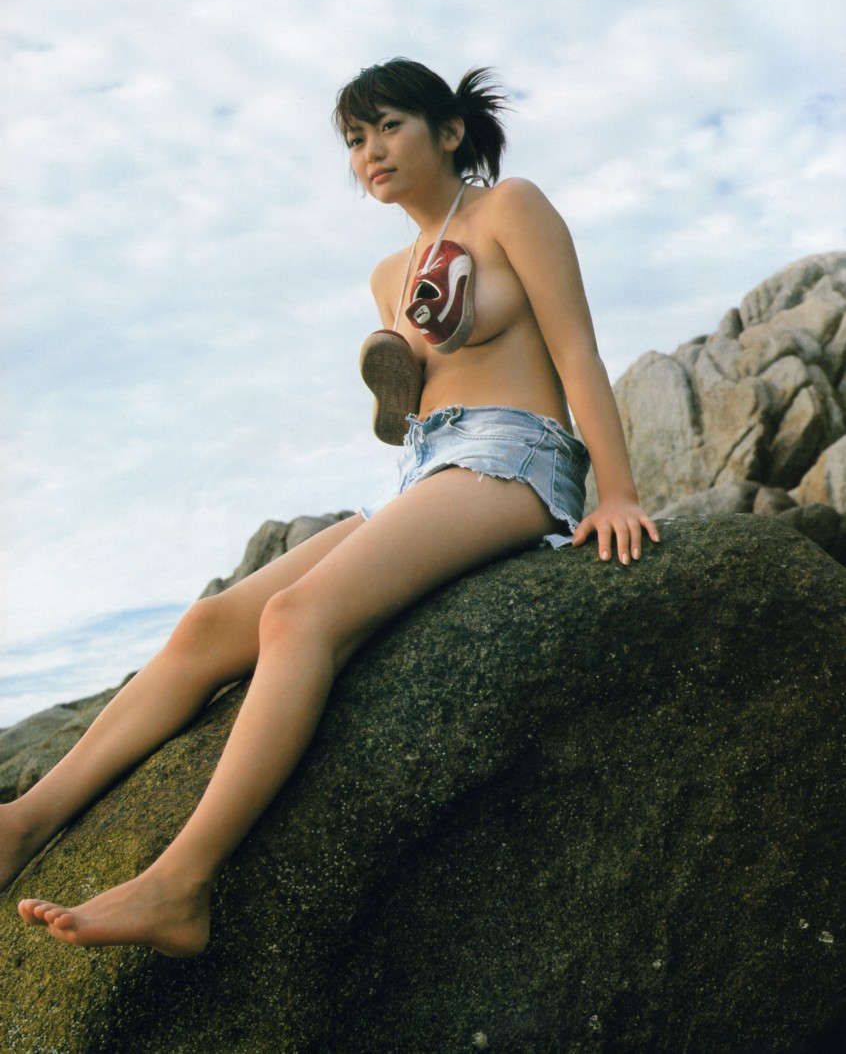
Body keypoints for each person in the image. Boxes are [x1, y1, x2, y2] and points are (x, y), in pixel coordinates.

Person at [5, 58, 659, 956]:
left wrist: (617, 493)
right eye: (355, 139)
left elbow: (577, 350)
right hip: (427, 471)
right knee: (208, 625)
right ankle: (24, 822)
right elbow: (413, 415)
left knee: (296, 617)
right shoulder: (390, 275)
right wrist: (402, 366)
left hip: (515, 457)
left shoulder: (512, 209)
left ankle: (179, 884)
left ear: (450, 132)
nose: (370, 152)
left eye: (388, 127)